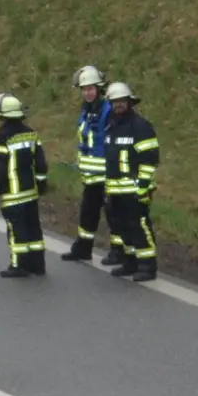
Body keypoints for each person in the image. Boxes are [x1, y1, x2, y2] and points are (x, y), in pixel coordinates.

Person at [61, 65, 121, 264]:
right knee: (88, 213)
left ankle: (118, 251)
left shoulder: (107, 110)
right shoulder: (86, 111)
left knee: (114, 215)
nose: (87, 93)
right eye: (84, 89)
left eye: (91, 88)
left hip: (107, 175)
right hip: (90, 175)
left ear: (99, 89)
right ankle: (83, 248)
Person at [0, 93, 49, 278]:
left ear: (2, 115)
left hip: (12, 195)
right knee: (33, 229)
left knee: (16, 230)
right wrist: (41, 181)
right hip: (30, 193)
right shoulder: (30, 132)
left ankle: (18, 265)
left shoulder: (2, 135)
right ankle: (38, 265)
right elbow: (41, 162)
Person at [103, 82, 160, 281]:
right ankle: (131, 262)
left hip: (135, 190)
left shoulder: (141, 127)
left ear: (129, 102)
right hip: (115, 190)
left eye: (121, 101)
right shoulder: (111, 126)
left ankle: (147, 266)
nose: (118, 105)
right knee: (121, 227)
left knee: (139, 226)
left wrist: (143, 187)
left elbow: (149, 159)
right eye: (114, 101)